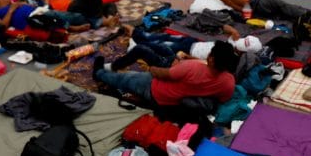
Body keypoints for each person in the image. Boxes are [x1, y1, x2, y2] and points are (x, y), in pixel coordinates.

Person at [93, 40, 238, 109]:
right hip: (176, 80)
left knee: (125, 78)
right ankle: (117, 62)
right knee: (161, 49)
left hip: (158, 90)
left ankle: (99, 73)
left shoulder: (192, 68)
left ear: (212, 59)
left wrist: (151, 69)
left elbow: (162, 74)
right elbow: (223, 99)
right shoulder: (228, 81)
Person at [103, 24, 260, 72]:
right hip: (191, 43)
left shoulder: (227, 61)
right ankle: (134, 37)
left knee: (154, 44)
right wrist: (234, 32)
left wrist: (184, 57)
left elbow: (205, 64)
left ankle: (134, 40)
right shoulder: (233, 44)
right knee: (159, 38)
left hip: (185, 53)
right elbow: (227, 29)